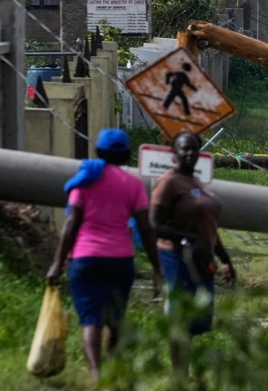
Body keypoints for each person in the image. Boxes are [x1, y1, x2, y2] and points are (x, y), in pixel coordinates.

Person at [46, 128, 162, 386]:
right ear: (126, 155)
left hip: (85, 259)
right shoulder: (133, 185)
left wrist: (57, 263)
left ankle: (97, 376)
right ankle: (111, 372)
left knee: (91, 320)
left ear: (98, 152)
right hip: (120, 261)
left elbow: (71, 224)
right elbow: (146, 228)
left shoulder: (84, 180)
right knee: (114, 319)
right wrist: (157, 267)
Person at [151, 130, 235, 368]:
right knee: (180, 315)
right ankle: (179, 373)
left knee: (197, 317)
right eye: (184, 148)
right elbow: (154, 225)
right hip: (177, 257)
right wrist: (188, 238)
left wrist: (226, 260)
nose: (189, 153)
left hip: (201, 257)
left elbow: (209, 228)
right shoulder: (169, 182)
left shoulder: (195, 182)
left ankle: (185, 367)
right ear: (174, 153)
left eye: (193, 148)